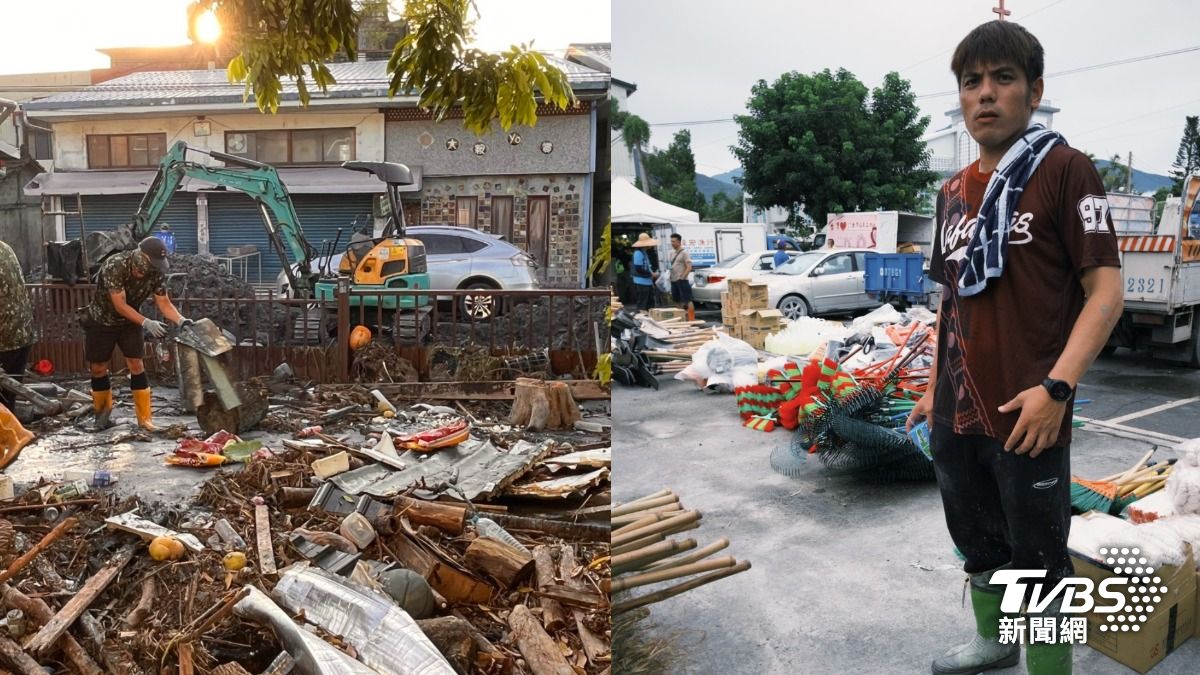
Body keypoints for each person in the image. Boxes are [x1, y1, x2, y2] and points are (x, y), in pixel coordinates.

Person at [905, 21, 1122, 675]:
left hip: (1032, 413)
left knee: (1041, 558)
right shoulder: (951, 195)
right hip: (958, 410)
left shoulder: (1065, 171)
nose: (986, 94)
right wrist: (931, 384)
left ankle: (1049, 668)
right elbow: (950, 296)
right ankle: (994, 641)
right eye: (972, 82)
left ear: (1035, 90)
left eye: (1003, 78)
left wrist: (1059, 389)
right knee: (975, 537)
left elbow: (1105, 292)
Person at [79, 237, 191, 431]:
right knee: (98, 367)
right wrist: (146, 322)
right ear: (141, 255)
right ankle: (102, 415)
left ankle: (145, 420)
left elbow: (163, 302)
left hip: (130, 323)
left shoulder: (156, 272)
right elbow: (120, 305)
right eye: (151, 262)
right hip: (101, 321)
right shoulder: (115, 265)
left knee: (136, 364)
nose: (152, 267)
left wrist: (181, 320)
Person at [0, 241, 35, 412]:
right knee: (8, 398)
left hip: (4, 338)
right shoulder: (5, 248)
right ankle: (11, 435)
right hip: (22, 333)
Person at [668, 233, 695, 321]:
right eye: (671, 241)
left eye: (674, 241)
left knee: (688, 300)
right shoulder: (672, 253)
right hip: (673, 280)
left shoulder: (684, 253)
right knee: (676, 300)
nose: (672, 243)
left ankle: (691, 318)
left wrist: (682, 277)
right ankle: (680, 318)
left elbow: (689, 267)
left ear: (679, 242)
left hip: (682, 280)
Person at [630, 233, 659, 311]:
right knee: (643, 302)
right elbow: (638, 268)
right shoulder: (638, 253)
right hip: (641, 281)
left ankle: (648, 317)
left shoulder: (644, 252)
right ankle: (641, 317)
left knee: (650, 302)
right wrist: (651, 274)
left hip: (647, 281)